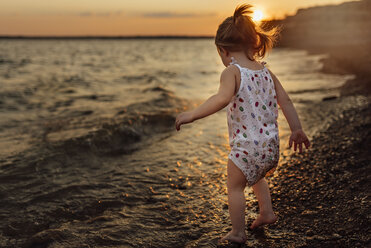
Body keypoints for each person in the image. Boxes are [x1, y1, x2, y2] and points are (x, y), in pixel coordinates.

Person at [175, 4, 311, 245]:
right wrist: (297, 129)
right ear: (254, 44)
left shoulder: (232, 72)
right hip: (270, 148)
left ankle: (238, 232)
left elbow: (221, 99)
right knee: (258, 176)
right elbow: (286, 101)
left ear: (223, 51)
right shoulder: (266, 72)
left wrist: (192, 115)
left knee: (235, 187)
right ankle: (266, 213)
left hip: (246, 148)